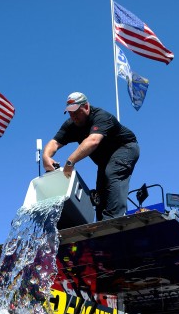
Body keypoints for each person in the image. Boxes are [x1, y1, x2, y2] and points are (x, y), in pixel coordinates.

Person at [42, 92, 140, 221]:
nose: (73, 116)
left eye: (76, 112)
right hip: (105, 160)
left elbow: (93, 141)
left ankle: (114, 220)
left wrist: (70, 162)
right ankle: (101, 223)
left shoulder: (101, 117)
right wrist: (46, 157)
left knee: (112, 174)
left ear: (86, 106)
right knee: (102, 190)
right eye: (70, 112)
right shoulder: (71, 125)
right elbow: (54, 142)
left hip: (125, 148)